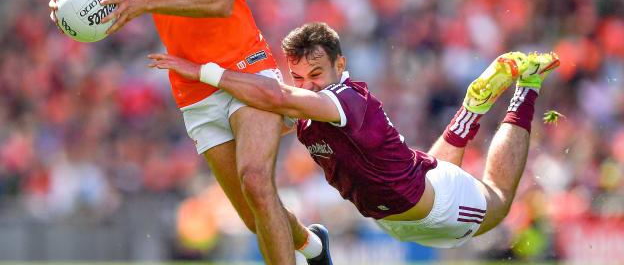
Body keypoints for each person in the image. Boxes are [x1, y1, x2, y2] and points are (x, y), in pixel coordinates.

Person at [47, 0, 330, 264]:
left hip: (246, 67)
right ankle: (313, 246)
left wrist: (146, 1)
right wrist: (69, 4)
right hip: (193, 88)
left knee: (256, 181)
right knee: (252, 215)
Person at [148, 21, 560, 249]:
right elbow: (270, 112)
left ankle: (527, 87)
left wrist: (203, 72)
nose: (308, 85)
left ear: (340, 64)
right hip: (399, 212)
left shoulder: (339, 98)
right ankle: (470, 109)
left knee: (499, 203)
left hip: (426, 206)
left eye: (316, 74)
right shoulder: (309, 107)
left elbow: (272, 96)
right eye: (299, 78)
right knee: (430, 173)